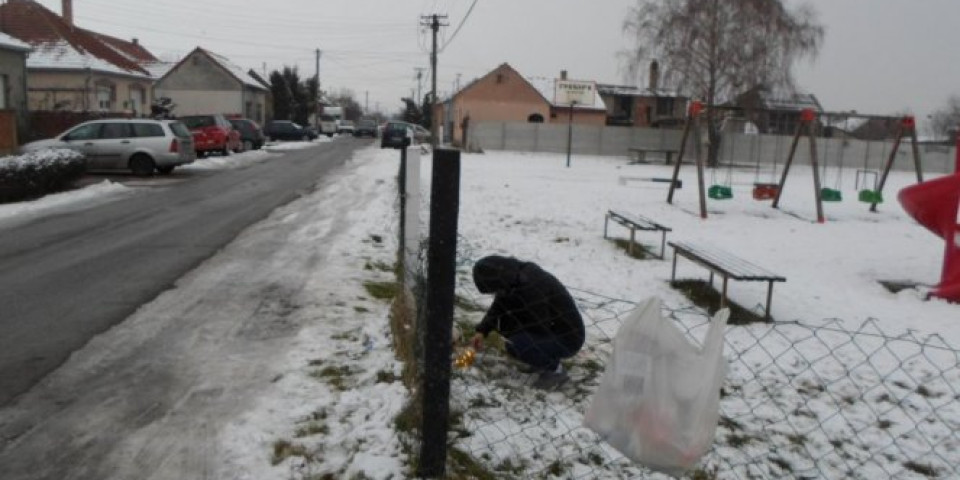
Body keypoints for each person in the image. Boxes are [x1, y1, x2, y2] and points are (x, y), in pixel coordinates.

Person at [469, 255, 585, 388]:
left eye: (494, 290)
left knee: (516, 343)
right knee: (512, 335)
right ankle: (540, 359)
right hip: (551, 330)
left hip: (568, 338)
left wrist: (508, 342)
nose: (495, 294)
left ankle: (555, 370)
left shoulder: (532, 288)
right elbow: (498, 307)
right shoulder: (515, 279)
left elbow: (540, 326)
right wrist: (481, 331)